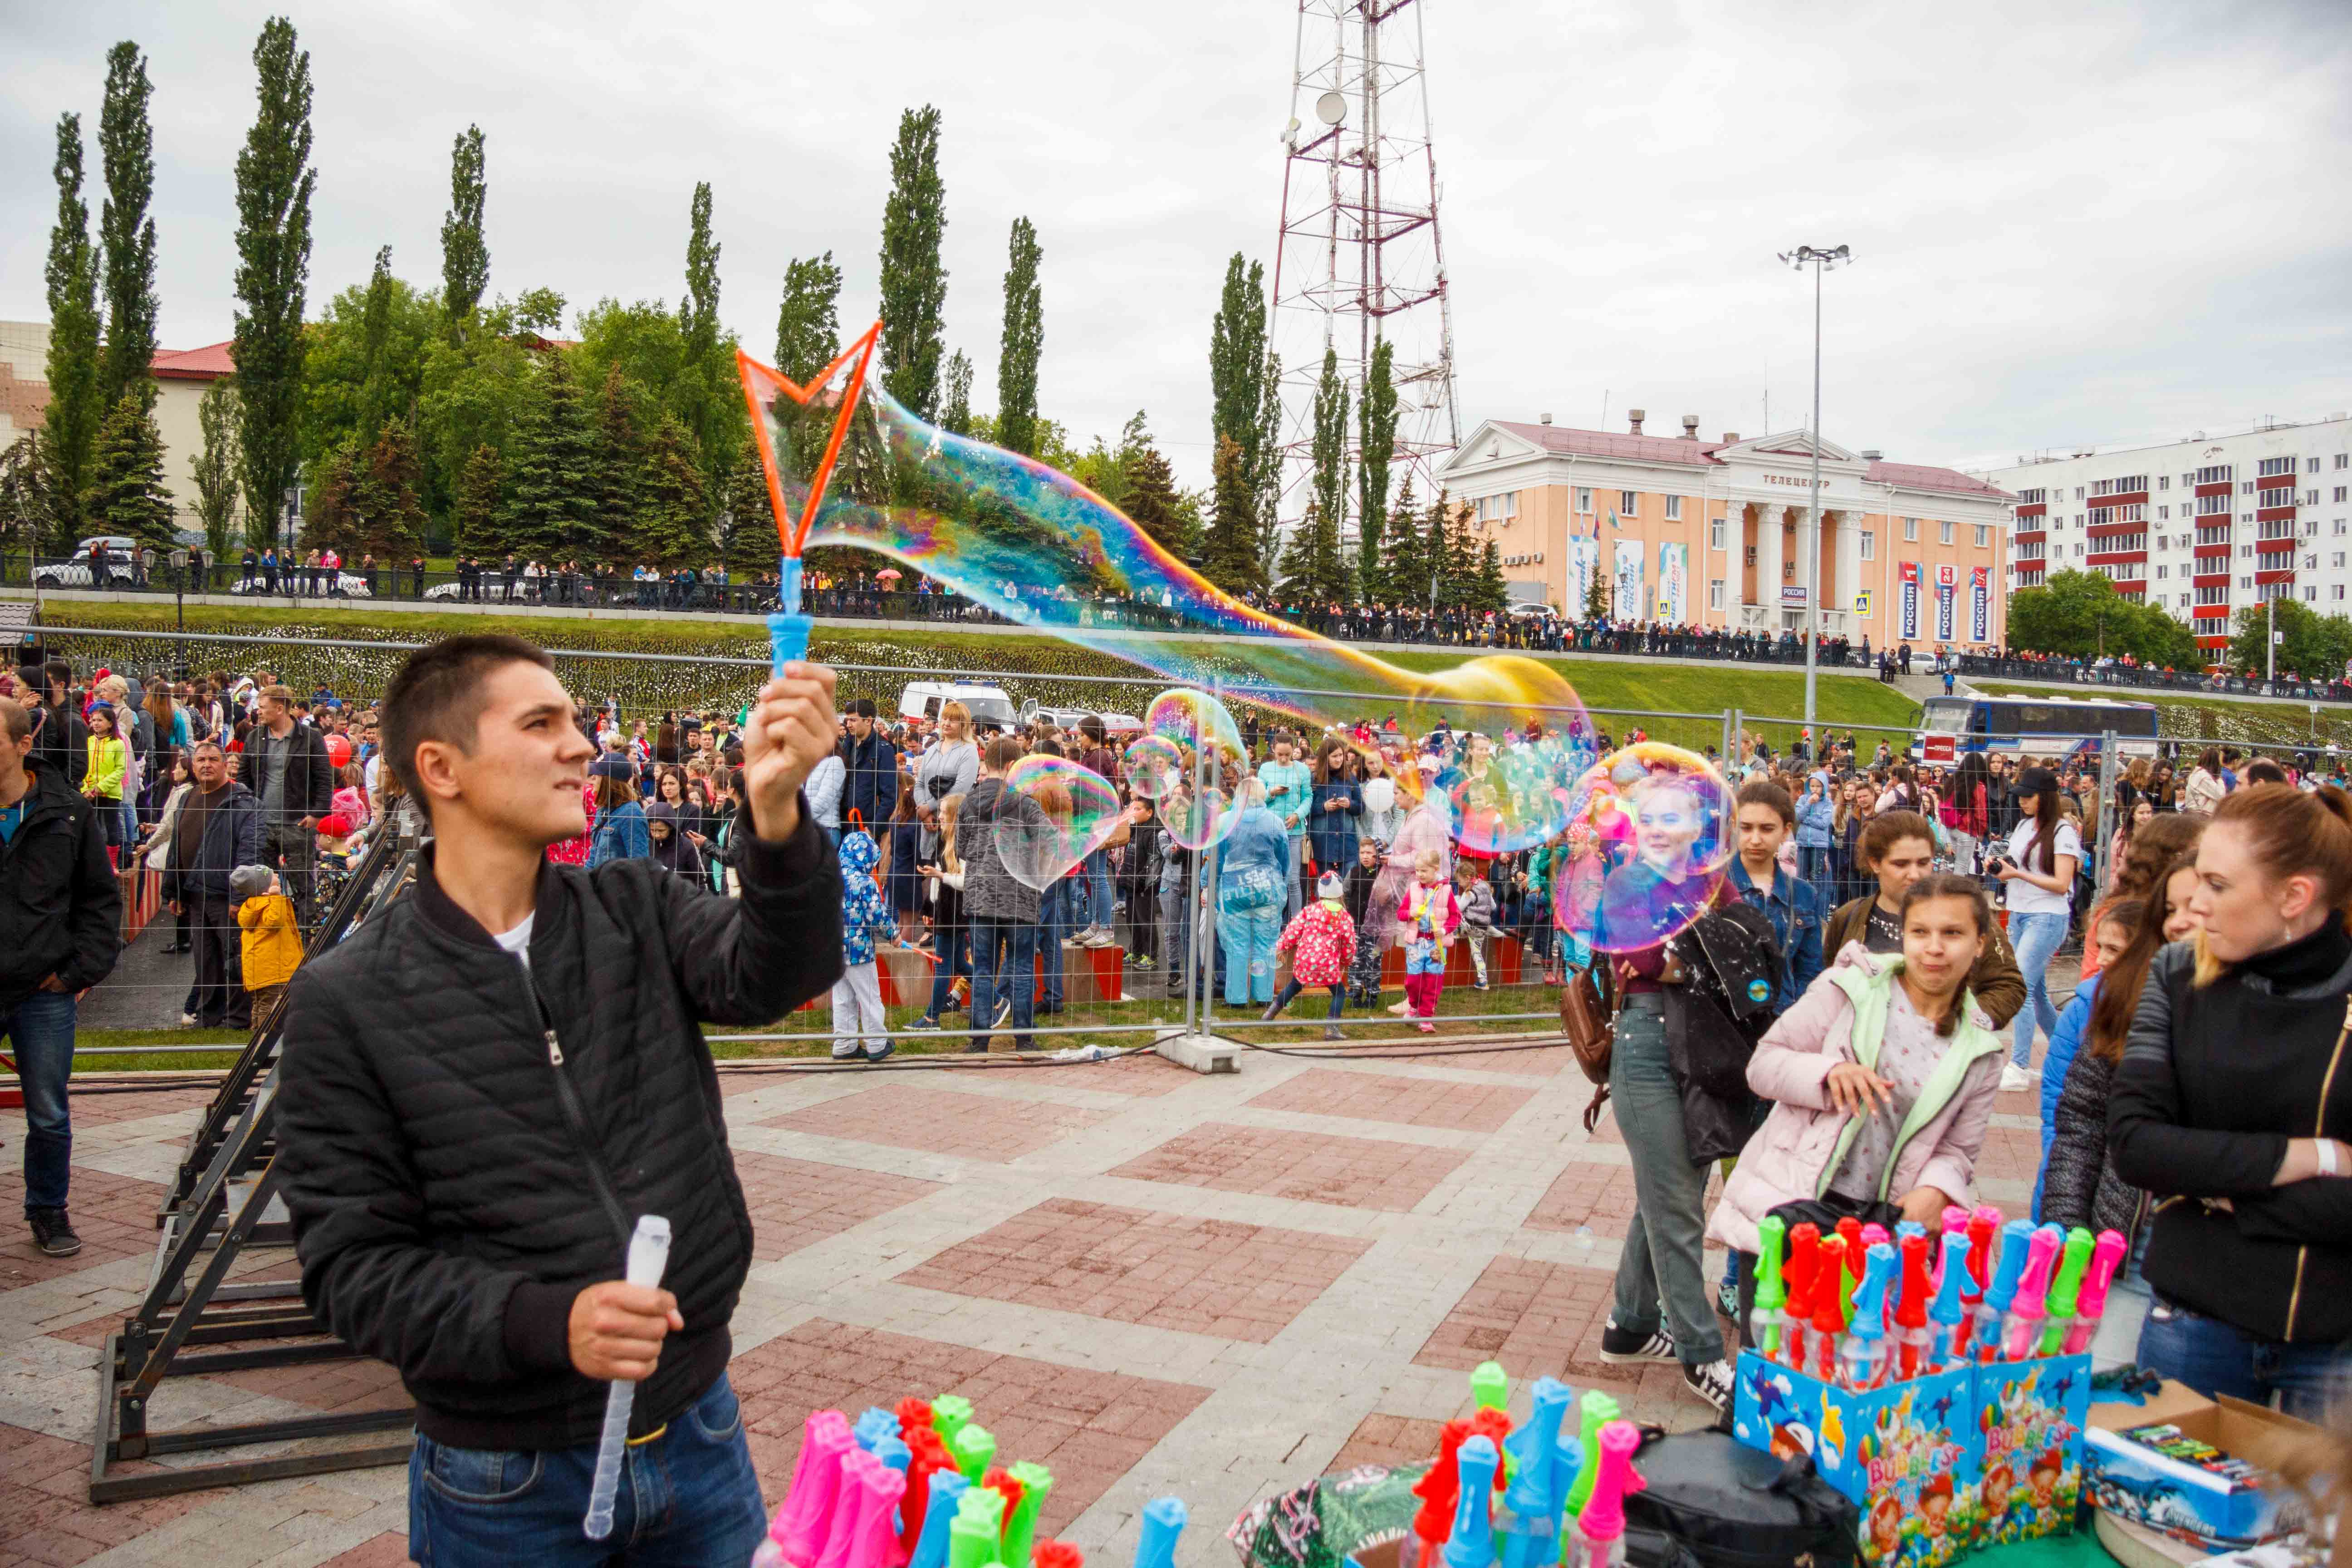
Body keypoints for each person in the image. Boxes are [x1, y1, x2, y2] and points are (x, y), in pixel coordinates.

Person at [276, 632, 842, 1564]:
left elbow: (771, 975)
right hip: (506, 1485)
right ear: (441, 768)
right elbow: (352, 1269)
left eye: (576, 721)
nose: (583, 746)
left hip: (697, 1432)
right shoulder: (348, 999)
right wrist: (545, 1323)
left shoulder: (632, 905)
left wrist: (775, 820)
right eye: (542, 723)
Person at [2107, 784, 2352, 1417]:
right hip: (2195, 1321)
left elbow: (2173, 1155)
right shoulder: (2178, 974)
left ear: (2294, 896)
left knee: (2318, 1518)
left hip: (2335, 1345)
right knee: (2169, 1509)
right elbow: (2137, 1145)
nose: (2195, 907)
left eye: (2218, 886)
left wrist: (2219, 1193)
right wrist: (2314, 1157)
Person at [1710, 874, 2006, 1339]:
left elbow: (1958, 1150)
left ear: (1980, 943)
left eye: (1952, 934)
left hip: (1875, 1230)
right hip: (1792, 1204)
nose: (1934, 948)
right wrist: (1827, 1073)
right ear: (1903, 935)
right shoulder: (1852, 989)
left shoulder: (1980, 1048)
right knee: (1770, 1374)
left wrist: (1938, 1189)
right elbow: (1763, 1067)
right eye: (1920, 932)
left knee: (1847, 1378)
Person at [1593, 766, 1736, 1411]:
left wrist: (1693, 956)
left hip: (1703, 1044)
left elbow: (1744, 948)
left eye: (1671, 817)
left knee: (1671, 1187)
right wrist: (1696, 955)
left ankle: (1628, 1325)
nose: (1656, 829)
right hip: (1645, 1045)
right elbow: (1650, 960)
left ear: (1698, 827)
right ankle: (1700, 1354)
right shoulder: (1627, 880)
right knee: (1677, 1201)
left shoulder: (1713, 882)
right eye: (1646, 817)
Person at [2042, 864, 2204, 1372]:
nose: (2180, 923)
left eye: (2199, 905)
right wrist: (2067, 1226)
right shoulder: (2132, 1000)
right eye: (2169, 910)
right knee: (2105, 1397)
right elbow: (2081, 1124)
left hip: (2213, 1266)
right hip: (2123, 1248)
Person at [0, 696, 123, 1257]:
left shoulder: (68, 812)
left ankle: (49, 1211)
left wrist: (77, 971)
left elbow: (100, 900)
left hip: (41, 988)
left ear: (24, 745)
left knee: (48, 1112)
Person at [1822, 810, 2025, 1026]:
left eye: (1923, 863)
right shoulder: (1849, 917)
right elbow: (1830, 983)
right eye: (1901, 864)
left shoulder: (1964, 914)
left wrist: (1963, 1023)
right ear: (1875, 863)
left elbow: (2008, 984)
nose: (1914, 874)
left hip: (1946, 1054)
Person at [2030, 899, 2141, 1225]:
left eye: (2115, 950)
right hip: (2076, 1165)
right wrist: (2059, 1169)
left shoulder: (2170, 1012)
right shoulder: (2084, 1008)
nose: (2102, 959)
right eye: (2099, 947)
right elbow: (2058, 1097)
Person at [1994, 766, 2082, 1091]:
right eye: (2020, 797)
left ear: (2045, 798)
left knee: (2022, 989)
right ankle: (2072, 1058)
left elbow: (2062, 884)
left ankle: (2019, 1065)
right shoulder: (2022, 826)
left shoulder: (2063, 832)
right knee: (2038, 993)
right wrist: (2003, 867)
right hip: (2020, 912)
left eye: (2028, 797)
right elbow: (2018, 863)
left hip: (2047, 916)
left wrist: (2016, 875)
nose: (2022, 802)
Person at [166, 740, 262, 1029]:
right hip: (195, 895)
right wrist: (175, 891)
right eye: (200, 760)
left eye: (212, 759)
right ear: (192, 766)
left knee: (234, 959)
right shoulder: (187, 797)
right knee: (205, 961)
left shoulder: (244, 802)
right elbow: (177, 847)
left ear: (225, 764)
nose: (206, 765)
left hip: (226, 896)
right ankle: (209, 1018)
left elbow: (251, 852)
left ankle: (237, 1020)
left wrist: (238, 897)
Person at [960, 736, 1049, 1053]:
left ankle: (979, 1039)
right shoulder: (1025, 804)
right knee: (1022, 966)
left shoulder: (969, 802)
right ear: (1013, 766)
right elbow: (1049, 841)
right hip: (1020, 897)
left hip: (981, 896)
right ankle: (1023, 1038)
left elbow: (961, 848)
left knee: (983, 968)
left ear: (988, 762)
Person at [1727, 780, 1825, 1013]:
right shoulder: (1713, 888)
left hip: (1784, 1021)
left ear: (1785, 830)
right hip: (1725, 1024)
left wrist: (1794, 1016)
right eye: (1747, 828)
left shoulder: (1804, 895)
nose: (1755, 839)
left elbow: (1809, 970)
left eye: (1767, 829)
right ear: (1734, 826)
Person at [247, 684, 337, 919]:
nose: (259, 712)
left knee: (303, 887)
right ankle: (266, 933)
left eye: (263, 708)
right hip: (262, 824)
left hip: (298, 824)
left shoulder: (311, 739)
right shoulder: (255, 738)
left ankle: (305, 937)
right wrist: (247, 814)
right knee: (262, 886)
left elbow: (325, 779)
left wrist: (318, 814)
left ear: (280, 709)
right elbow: (245, 780)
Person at [1215, 779, 1293, 1009]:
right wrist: (1280, 880)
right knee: (1266, 943)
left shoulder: (1225, 821)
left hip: (1234, 889)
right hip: (1267, 888)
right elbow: (1284, 859)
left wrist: (1208, 883)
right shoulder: (1276, 822)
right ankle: (1264, 996)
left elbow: (1217, 860)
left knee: (1236, 944)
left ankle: (1236, 998)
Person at [831, 827, 899, 1061]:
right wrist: (894, 934)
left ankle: (844, 1045)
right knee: (869, 998)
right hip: (859, 952)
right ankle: (877, 1044)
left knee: (842, 999)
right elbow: (876, 915)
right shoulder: (864, 883)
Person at [1265, 868, 1358, 1039]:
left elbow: (1293, 929)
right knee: (1339, 992)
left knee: (1294, 986)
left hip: (1305, 961)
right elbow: (1349, 943)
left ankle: (1270, 1014)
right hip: (1328, 964)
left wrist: (1283, 947)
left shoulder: (1310, 911)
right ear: (1340, 894)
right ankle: (1332, 1029)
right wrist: (1346, 960)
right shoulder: (1344, 917)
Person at [1396, 848, 1462, 1032]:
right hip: (1416, 944)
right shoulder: (1413, 889)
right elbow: (1400, 913)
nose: (1419, 875)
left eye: (1423, 871)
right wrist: (1411, 913)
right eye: (1417, 871)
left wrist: (1444, 930)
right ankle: (1414, 1007)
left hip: (1436, 945)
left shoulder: (1447, 891)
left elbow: (1456, 917)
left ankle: (1426, 1016)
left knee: (1432, 982)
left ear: (1435, 869)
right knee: (1413, 981)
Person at [232, 863, 303, 1023]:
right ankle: (265, 1040)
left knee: (261, 1005)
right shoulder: (268, 904)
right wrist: (277, 898)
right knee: (271, 1007)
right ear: (265, 891)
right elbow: (275, 922)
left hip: (263, 972)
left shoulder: (252, 906)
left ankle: (257, 1037)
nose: (277, 876)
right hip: (273, 972)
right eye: (273, 877)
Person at [1256, 735, 1313, 919]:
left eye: (1288, 755)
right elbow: (1258, 798)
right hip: (1270, 832)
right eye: (1280, 754)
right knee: (1272, 878)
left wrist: (1298, 815)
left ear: (1293, 751)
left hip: (1294, 832)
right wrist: (1271, 793)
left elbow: (1308, 797)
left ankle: (1296, 924)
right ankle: (1273, 920)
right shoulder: (1265, 769)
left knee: (1293, 880)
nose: (1283, 758)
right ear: (1273, 749)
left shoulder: (1302, 770)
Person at [80, 701, 127, 860]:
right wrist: (86, 789)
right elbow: (83, 767)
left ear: (110, 723)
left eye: (100, 720)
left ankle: (113, 862)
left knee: (112, 828)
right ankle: (91, 860)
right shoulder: (88, 742)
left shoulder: (118, 744)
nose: (96, 724)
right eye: (93, 720)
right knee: (90, 827)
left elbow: (120, 770)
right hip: (88, 792)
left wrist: (100, 787)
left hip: (110, 793)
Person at [588, 774, 649, 866]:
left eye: (596, 776)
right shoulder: (602, 810)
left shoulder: (632, 814)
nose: (592, 779)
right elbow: (594, 855)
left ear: (608, 781)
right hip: (599, 879)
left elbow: (640, 865)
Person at [1455, 860, 1498, 990]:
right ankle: (1483, 981)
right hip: (1482, 929)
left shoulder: (1469, 893)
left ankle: (1457, 932)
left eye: (1460, 881)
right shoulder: (1485, 886)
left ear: (1468, 878)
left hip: (1469, 926)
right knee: (1477, 953)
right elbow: (1494, 907)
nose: (1459, 884)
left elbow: (1459, 909)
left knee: (1457, 906)